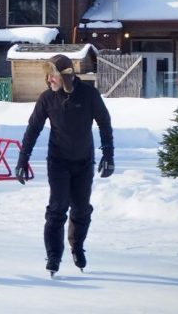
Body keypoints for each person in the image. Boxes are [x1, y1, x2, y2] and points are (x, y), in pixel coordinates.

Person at [15, 54, 114, 276]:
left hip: (84, 162)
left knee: (81, 209)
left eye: (53, 76)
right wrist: (23, 160)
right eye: (48, 77)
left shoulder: (89, 95)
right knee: (57, 208)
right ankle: (53, 255)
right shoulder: (47, 99)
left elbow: (104, 123)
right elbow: (33, 129)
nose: (49, 80)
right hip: (58, 161)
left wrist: (108, 155)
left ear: (65, 77)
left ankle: (77, 247)